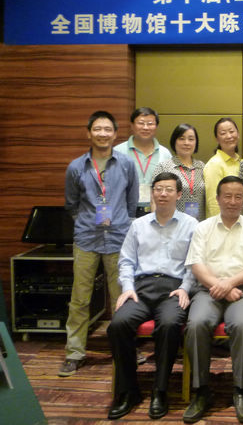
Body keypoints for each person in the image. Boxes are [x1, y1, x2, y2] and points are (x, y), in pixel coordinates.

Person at [107, 172, 198, 420]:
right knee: (118, 325)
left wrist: (186, 288)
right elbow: (126, 261)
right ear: (152, 193)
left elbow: (194, 263)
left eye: (169, 189)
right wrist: (127, 288)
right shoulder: (138, 225)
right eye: (158, 189)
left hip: (174, 288)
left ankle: (160, 390)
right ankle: (128, 391)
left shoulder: (191, 225)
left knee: (169, 325)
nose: (163, 194)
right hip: (141, 288)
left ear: (179, 194)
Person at [59, 110, 138, 377]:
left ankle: (124, 351)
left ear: (115, 134)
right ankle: (74, 353)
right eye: (97, 129)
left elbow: (131, 202)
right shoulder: (76, 167)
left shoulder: (126, 164)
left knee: (121, 298)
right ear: (89, 133)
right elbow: (71, 204)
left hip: (118, 239)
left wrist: (121, 223)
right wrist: (86, 222)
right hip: (86, 239)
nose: (103, 134)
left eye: (107, 129)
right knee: (80, 299)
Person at [183, 176, 243, 424]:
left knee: (242, 325)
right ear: (217, 198)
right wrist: (220, 285)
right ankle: (201, 390)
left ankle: (241, 389)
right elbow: (196, 264)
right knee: (196, 324)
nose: (232, 201)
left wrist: (229, 284)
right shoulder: (203, 227)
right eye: (227, 196)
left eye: (238, 196)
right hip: (207, 290)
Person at [114, 107, 172, 217]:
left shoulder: (165, 154)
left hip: (156, 211)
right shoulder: (118, 152)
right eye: (141, 123)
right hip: (124, 212)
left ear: (156, 126)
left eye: (150, 124)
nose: (145, 127)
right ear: (132, 125)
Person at [153, 123, 206, 221]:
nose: (186, 143)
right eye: (181, 138)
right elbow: (154, 199)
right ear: (174, 141)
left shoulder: (202, 167)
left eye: (191, 139)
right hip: (172, 223)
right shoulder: (164, 167)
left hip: (199, 224)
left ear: (196, 142)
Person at [204, 117, 241, 218]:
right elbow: (213, 202)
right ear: (217, 138)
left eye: (231, 131)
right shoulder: (214, 164)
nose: (229, 136)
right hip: (223, 222)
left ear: (238, 134)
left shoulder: (242, 162)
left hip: (241, 221)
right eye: (223, 133)